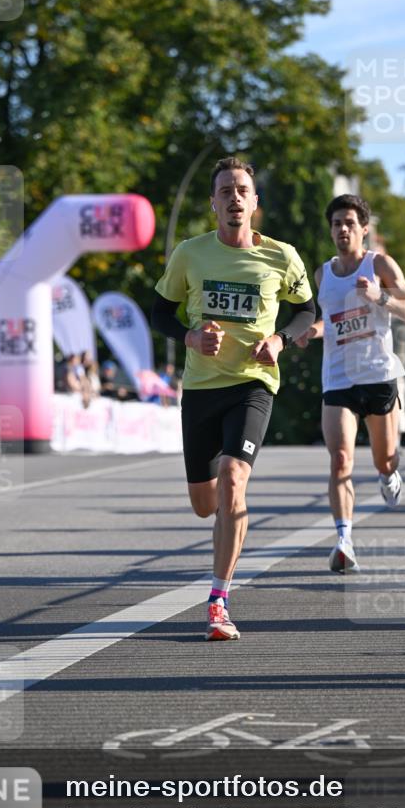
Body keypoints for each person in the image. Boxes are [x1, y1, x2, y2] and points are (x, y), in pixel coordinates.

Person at [152, 156, 315, 641]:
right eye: (225, 191)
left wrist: (281, 340)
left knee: (233, 477)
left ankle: (218, 600)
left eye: (242, 190)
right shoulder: (190, 254)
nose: (234, 199)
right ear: (214, 203)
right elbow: (160, 312)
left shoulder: (282, 258)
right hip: (202, 388)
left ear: (255, 202)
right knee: (206, 504)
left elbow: (307, 310)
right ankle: (222, 529)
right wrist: (189, 338)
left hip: (253, 384)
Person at [296, 193, 405, 574]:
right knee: (339, 460)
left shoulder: (379, 263)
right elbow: (328, 322)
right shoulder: (322, 274)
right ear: (331, 230)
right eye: (337, 224)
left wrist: (379, 296)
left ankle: (389, 474)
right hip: (338, 380)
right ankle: (344, 540)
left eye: (350, 223)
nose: (343, 229)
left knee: (384, 459)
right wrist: (308, 332)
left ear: (363, 229)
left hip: (379, 376)